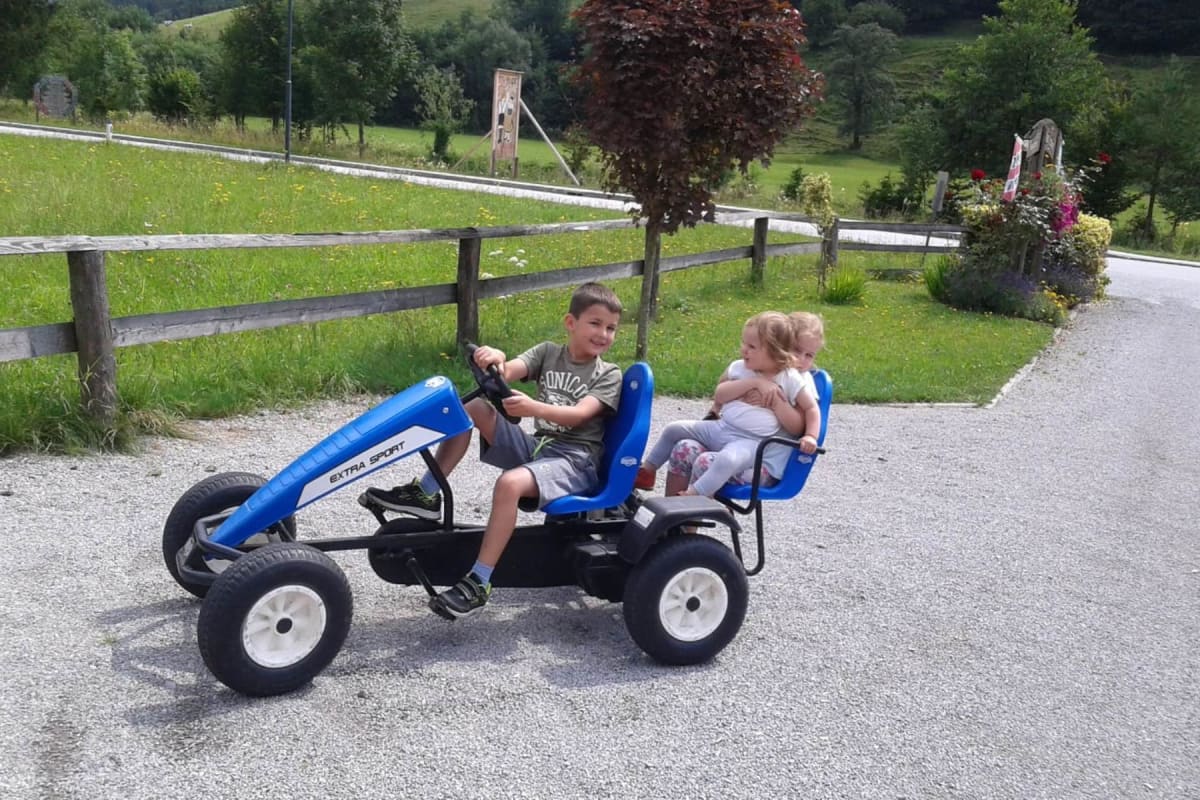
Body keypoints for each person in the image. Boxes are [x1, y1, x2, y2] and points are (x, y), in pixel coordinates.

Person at [358, 282, 624, 620]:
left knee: (510, 484)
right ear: (570, 323)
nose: (603, 334)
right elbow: (508, 370)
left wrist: (533, 408)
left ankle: (479, 581)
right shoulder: (548, 353)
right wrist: (494, 358)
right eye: (595, 323)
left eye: (611, 328)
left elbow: (579, 415)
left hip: (574, 461)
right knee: (470, 407)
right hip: (539, 449)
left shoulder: (608, 374)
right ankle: (427, 493)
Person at [638, 311, 825, 497]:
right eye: (796, 350)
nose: (799, 360)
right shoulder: (742, 368)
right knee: (678, 437)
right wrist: (753, 384)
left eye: (808, 355)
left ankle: (692, 499)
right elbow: (720, 393)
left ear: (777, 351)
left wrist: (809, 435)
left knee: (717, 460)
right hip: (723, 429)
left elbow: (808, 413)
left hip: (754, 447)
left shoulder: (791, 379)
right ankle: (654, 483)